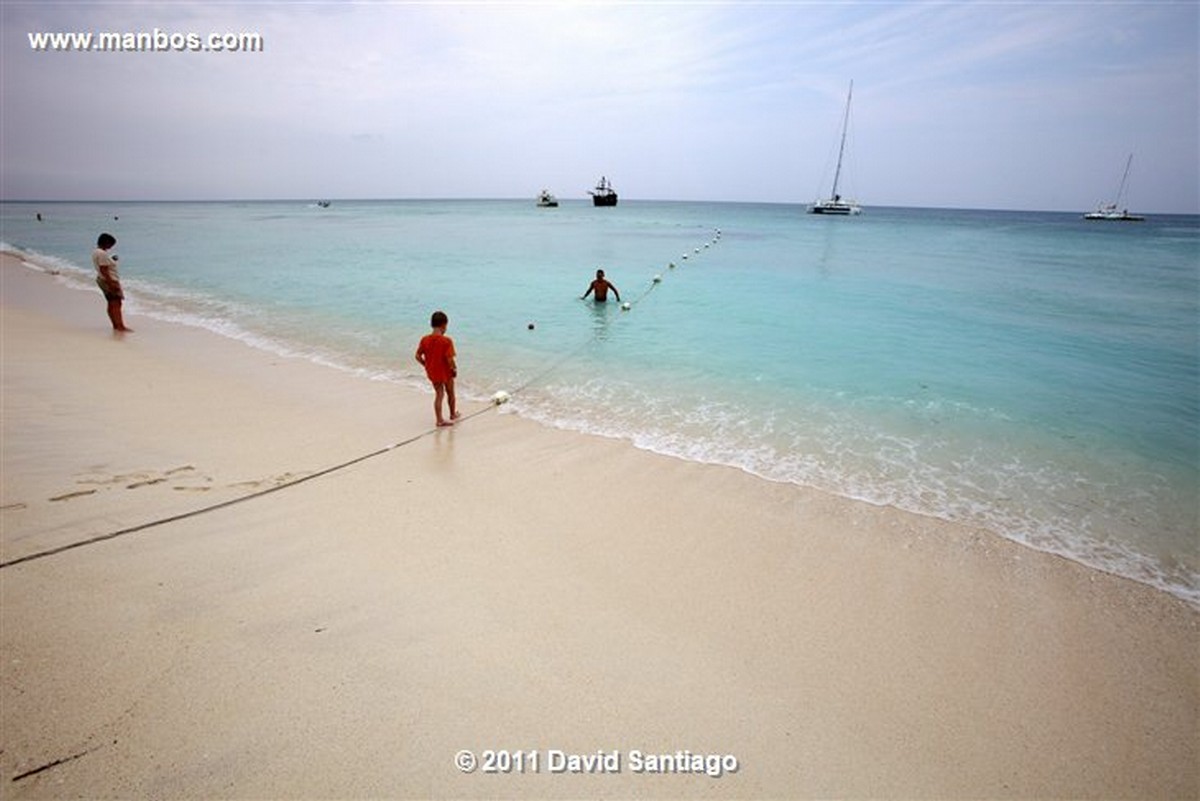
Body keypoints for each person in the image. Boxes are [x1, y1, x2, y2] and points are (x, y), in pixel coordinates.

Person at [415, 310, 459, 427]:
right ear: (444, 325)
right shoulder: (446, 341)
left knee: (439, 394)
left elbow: (417, 356)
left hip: (433, 372)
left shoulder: (425, 339)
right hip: (446, 372)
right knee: (450, 393)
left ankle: (439, 419)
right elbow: (449, 359)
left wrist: (426, 365)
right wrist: (454, 369)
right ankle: (452, 414)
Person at [92, 232, 132, 332]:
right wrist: (111, 284)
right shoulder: (102, 254)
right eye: (110, 244)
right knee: (116, 303)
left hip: (102, 279)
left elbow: (103, 266)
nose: (111, 246)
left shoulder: (96, 252)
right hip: (109, 280)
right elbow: (104, 270)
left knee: (111, 303)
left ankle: (116, 325)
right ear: (106, 242)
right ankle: (120, 326)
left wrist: (111, 259)